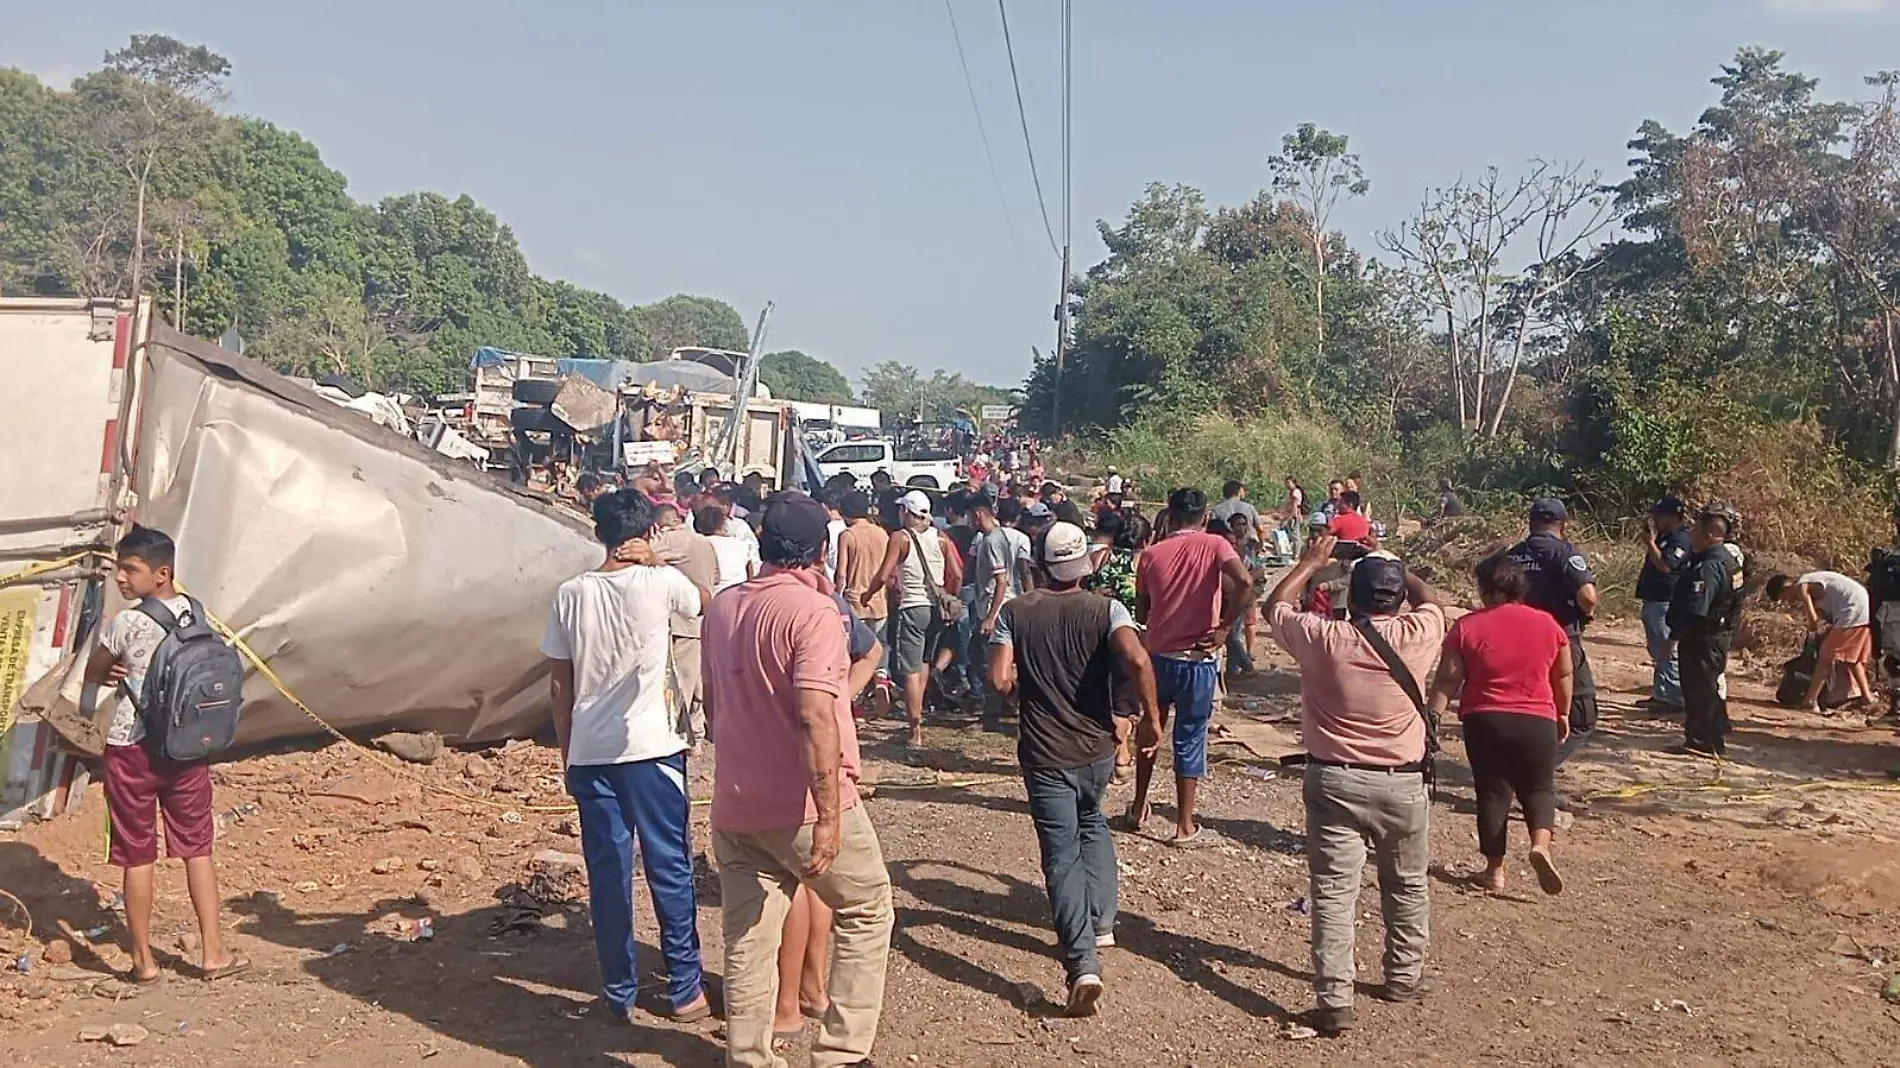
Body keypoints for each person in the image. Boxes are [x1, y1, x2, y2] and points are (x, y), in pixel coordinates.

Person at [703, 491, 896, 1068]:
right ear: (818, 552)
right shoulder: (812, 612)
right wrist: (832, 811)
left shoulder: (724, 606)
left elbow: (714, 705)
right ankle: (840, 1051)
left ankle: (748, 1055)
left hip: (736, 802)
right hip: (800, 805)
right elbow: (814, 713)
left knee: (749, 936)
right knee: (867, 905)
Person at [541, 490, 712, 1025]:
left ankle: (619, 990)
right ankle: (685, 988)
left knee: (608, 871)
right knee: (669, 865)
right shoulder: (660, 582)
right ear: (648, 533)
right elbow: (707, 599)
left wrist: (569, 754)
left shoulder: (571, 594)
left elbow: (557, 684)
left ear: (598, 532)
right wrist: (659, 560)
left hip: (592, 752)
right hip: (654, 748)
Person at [1266, 535, 1443, 1037]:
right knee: (1407, 885)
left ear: (1351, 593)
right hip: (1404, 783)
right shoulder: (1420, 631)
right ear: (1397, 597)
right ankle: (1403, 977)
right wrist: (1391, 562)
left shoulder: (1323, 636)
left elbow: (1273, 605)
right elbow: (1431, 599)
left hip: (1335, 779)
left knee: (1333, 892)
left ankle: (1335, 1000)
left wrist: (1310, 563)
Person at [988, 522, 1163, 1017]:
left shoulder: (1015, 613)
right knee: (1093, 822)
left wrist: (1026, 694)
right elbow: (1137, 659)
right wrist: (1150, 721)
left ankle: (1082, 962)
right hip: (1096, 750)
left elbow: (999, 678)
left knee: (1060, 853)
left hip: (1045, 753)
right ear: (1084, 565)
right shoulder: (1107, 608)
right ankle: (1102, 922)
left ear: (1038, 567)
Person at [83, 525, 248, 985]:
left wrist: (112, 668)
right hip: (186, 749)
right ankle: (214, 954)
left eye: (129, 569)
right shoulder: (197, 615)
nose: (120, 577)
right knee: (199, 850)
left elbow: (96, 673)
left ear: (161, 573)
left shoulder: (127, 623)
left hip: (131, 751)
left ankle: (143, 962)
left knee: (138, 857)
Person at [775, 574, 887, 1051]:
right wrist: (843, 689)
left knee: (799, 882)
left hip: (789, 761)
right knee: (823, 878)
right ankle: (814, 988)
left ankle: (787, 1005)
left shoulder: (762, 606)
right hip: (833, 756)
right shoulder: (830, 604)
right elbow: (873, 650)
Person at [1426, 554, 1573, 895]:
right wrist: (1562, 713)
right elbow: (1564, 673)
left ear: (1485, 590)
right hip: (1537, 718)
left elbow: (1448, 680)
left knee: (1493, 793)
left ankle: (1495, 871)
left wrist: (1431, 716)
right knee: (1539, 787)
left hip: (1485, 718)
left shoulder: (1467, 627)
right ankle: (1540, 845)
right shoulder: (1548, 624)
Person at [1124, 488, 1253, 845]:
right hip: (1198, 659)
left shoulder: (1150, 554)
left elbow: (1141, 610)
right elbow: (1245, 582)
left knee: (1151, 729)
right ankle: (1184, 825)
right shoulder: (1215, 546)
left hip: (1158, 659)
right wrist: (1224, 627)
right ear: (1205, 514)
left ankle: (1137, 807)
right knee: (1190, 738)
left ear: (1170, 513)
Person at [871, 490, 965, 747]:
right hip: (936, 609)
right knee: (923, 662)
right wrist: (950, 598)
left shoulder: (900, 538)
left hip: (912, 607)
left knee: (910, 670)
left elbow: (883, 575)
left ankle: (915, 730)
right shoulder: (941, 537)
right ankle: (918, 713)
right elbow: (956, 574)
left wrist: (868, 594)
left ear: (907, 513)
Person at [1505, 498, 1600, 749]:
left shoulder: (1511, 556)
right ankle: (1539, 768)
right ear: (1562, 524)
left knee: (1525, 706)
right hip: (1561, 640)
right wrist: (1585, 615)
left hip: (1518, 642)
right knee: (1580, 717)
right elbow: (1588, 597)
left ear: (1530, 523)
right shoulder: (1564, 553)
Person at [1665, 508, 1747, 757]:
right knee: (1708, 686)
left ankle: (1703, 740)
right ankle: (1711, 735)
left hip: (1702, 637)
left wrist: (1675, 636)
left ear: (1710, 535)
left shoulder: (1709, 567)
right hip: (1717, 635)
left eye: (1695, 531)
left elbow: (1696, 606)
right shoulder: (1729, 561)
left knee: (1698, 688)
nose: (1691, 535)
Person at [653, 500, 721, 749]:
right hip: (699, 622)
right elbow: (716, 577)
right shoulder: (705, 543)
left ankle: (677, 738)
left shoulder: (672, 539)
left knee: (679, 683)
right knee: (695, 682)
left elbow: (641, 557)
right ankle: (696, 734)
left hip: (678, 622)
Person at [1767, 569, 1874, 713]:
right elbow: (1823, 615)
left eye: (1785, 598)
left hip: (1851, 609)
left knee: (1826, 657)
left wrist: (1811, 625)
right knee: (1852, 659)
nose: (1789, 602)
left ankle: (1810, 701)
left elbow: (1813, 620)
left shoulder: (1801, 585)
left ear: (1786, 587)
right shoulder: (1813, 585)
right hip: (1861, 607)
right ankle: (1867, 697)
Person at [972, 496, 1034, 727]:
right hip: (1017, 601)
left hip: (996, 604)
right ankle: (1010, 704)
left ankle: (993, 711)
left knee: (991, 660)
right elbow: (1025, 570)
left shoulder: (990, 540)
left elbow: (1001, 580)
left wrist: (990, 616)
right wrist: (1031, 598)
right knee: (1012, 659)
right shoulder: (1022, 538)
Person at [836, 490, 894, 716]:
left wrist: (836, 595)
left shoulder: (848, 535)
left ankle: (856, 701)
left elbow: (841, 573)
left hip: (854, 602)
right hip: (879, 601)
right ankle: (881, 678)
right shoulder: (882, 534)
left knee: (855, 655)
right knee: (879, 646)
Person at [1637, 497, 1693, 713]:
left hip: (1666, 602)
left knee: (1668, 649)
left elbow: (1666, 566)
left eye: (1659, 516)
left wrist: (1650, 543)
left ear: (1672, 516)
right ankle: (1661, 694)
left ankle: (1674, 697)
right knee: (1658, 650)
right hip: (1654, 600)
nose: (1656, 520)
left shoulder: (1681, 539)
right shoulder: (1666, 537)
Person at [1223, 513, 1261, 676]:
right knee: (1233, 632)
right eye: (1238, 524)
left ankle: (1244, 665)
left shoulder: (1250, 546)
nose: (1242, 528)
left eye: (1244, 524)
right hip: (1233, 594)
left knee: (1233, 633)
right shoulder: (1227, 547)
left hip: (1247, 593)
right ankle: (1233, 670)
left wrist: (1249, 579)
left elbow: (1258, 569)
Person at [700, 502, 760, 593]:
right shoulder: (743, 545)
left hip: (711, 596)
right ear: (723, 523)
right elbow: (752, 575)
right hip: (739, 595)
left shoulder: (697, 544)